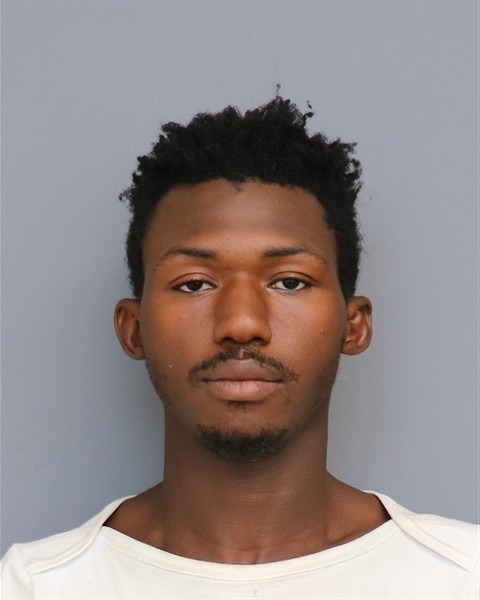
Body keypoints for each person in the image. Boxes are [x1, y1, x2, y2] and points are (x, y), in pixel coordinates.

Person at [2, 97, 478, 599]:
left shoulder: (460, 578)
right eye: (194, 284)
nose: (242, 323)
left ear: (353, 325)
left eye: (289, 282)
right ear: (134, 329)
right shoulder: (38, 586)